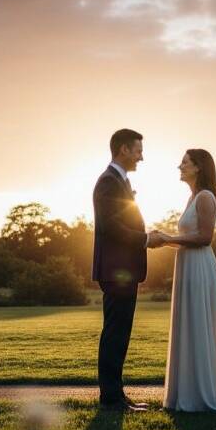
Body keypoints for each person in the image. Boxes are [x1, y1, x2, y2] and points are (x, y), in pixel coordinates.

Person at [155, 149, 216, 412]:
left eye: (185, 162)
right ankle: (187, 392)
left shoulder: (206, 197)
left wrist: (166, 238)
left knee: (200, 322)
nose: (180, 166)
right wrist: (164, 242)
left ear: (198, 167)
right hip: (187, 265)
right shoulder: (191, 198)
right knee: (189, 323)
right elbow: (189, 238)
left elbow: (204, 238)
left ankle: (206, 393)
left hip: (200, 267)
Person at [91, 128, 164, 411]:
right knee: (115, 333)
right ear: (123, 149)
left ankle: (117, 396)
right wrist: (146, 239)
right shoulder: (108, 182)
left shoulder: (117, 181)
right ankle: (110, 399)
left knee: (119, 332)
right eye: (138, 151)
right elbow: (112, 228)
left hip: (122, 270)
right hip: (116, 270)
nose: (141, 157)